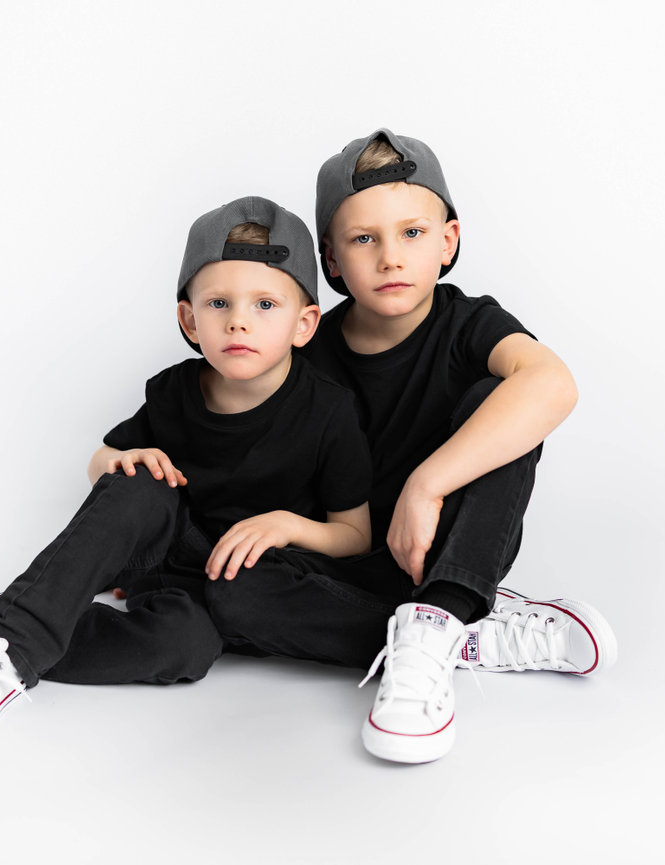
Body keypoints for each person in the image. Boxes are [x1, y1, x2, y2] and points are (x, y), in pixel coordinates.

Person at [204, 129, 618, 764]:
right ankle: (465, 634)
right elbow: (243, 454)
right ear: (333, 264)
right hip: (342, 560)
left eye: (412, 233)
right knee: (231, 592)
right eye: (364, 239)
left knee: (501, 398)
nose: (390, 258)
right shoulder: (307, 348)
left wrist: (427, 484)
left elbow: (553, 384)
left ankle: (438, 619)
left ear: (448, 240)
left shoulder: (468, 323)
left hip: (441, 548)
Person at [0, 196, 373, 749]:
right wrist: (120, 463)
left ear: (304, 324)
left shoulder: (329, 411)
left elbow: (354, 534)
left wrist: (288, 525)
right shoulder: (174, 392)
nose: (239, 320)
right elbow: (102, 461)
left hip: (244, 588)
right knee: (140, 481)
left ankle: (17, 615)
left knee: (185, 650)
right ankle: (9, 643)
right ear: (189, 319)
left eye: (265, 304)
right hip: (166, 560)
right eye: (218, 302)